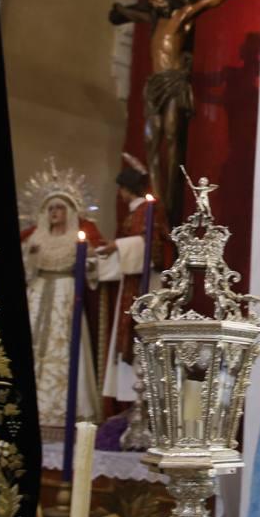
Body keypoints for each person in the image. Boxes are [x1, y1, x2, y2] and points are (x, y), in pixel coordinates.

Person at [109, 0, 260, 220]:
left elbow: (209, 1)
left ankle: (170, 200)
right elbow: (129, 13)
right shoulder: (153, 22)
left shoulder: (181, 17)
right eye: (152, 1)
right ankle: (158, 200)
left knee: (171, 135)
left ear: (169, 0)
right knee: (151, 142)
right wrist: (120, 11)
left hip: (173, 81)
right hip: (155, 84)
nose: (155, 3)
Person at [20, 159, 104, 438]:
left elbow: (94, 267)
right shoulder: (35, 239)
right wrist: (30, 259)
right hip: (38, 292)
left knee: (64, 349)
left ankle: (60, 412)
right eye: (51, 208)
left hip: (66, 295)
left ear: (69, 212)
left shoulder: (76, 240)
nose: (55, 212)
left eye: (60, 208)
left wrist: (90, 263)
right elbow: (26, 270)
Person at [96, 155, 155, 412]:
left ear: (128, 188)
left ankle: (142, 402)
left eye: (120, 188)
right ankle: (132, 405)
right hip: (130, 282)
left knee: (139, 337)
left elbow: (151, 246)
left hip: (145, 286)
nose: (119, 194)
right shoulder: (135, 213)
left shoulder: (147, 211)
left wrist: (116, 246)